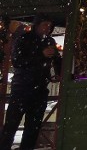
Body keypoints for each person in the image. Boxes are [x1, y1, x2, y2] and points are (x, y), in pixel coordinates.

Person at [0, 14, 61, 150]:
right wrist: (40, 54)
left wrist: (57, 71)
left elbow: (55, 60)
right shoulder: (24, 39)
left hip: (40, 89)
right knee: (11, 126)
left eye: (50, 26)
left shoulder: (49, 41)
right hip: (22, 88)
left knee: (32, 129)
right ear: (37, 25)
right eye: (45, 25)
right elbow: (18, 61)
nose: (47, 28)